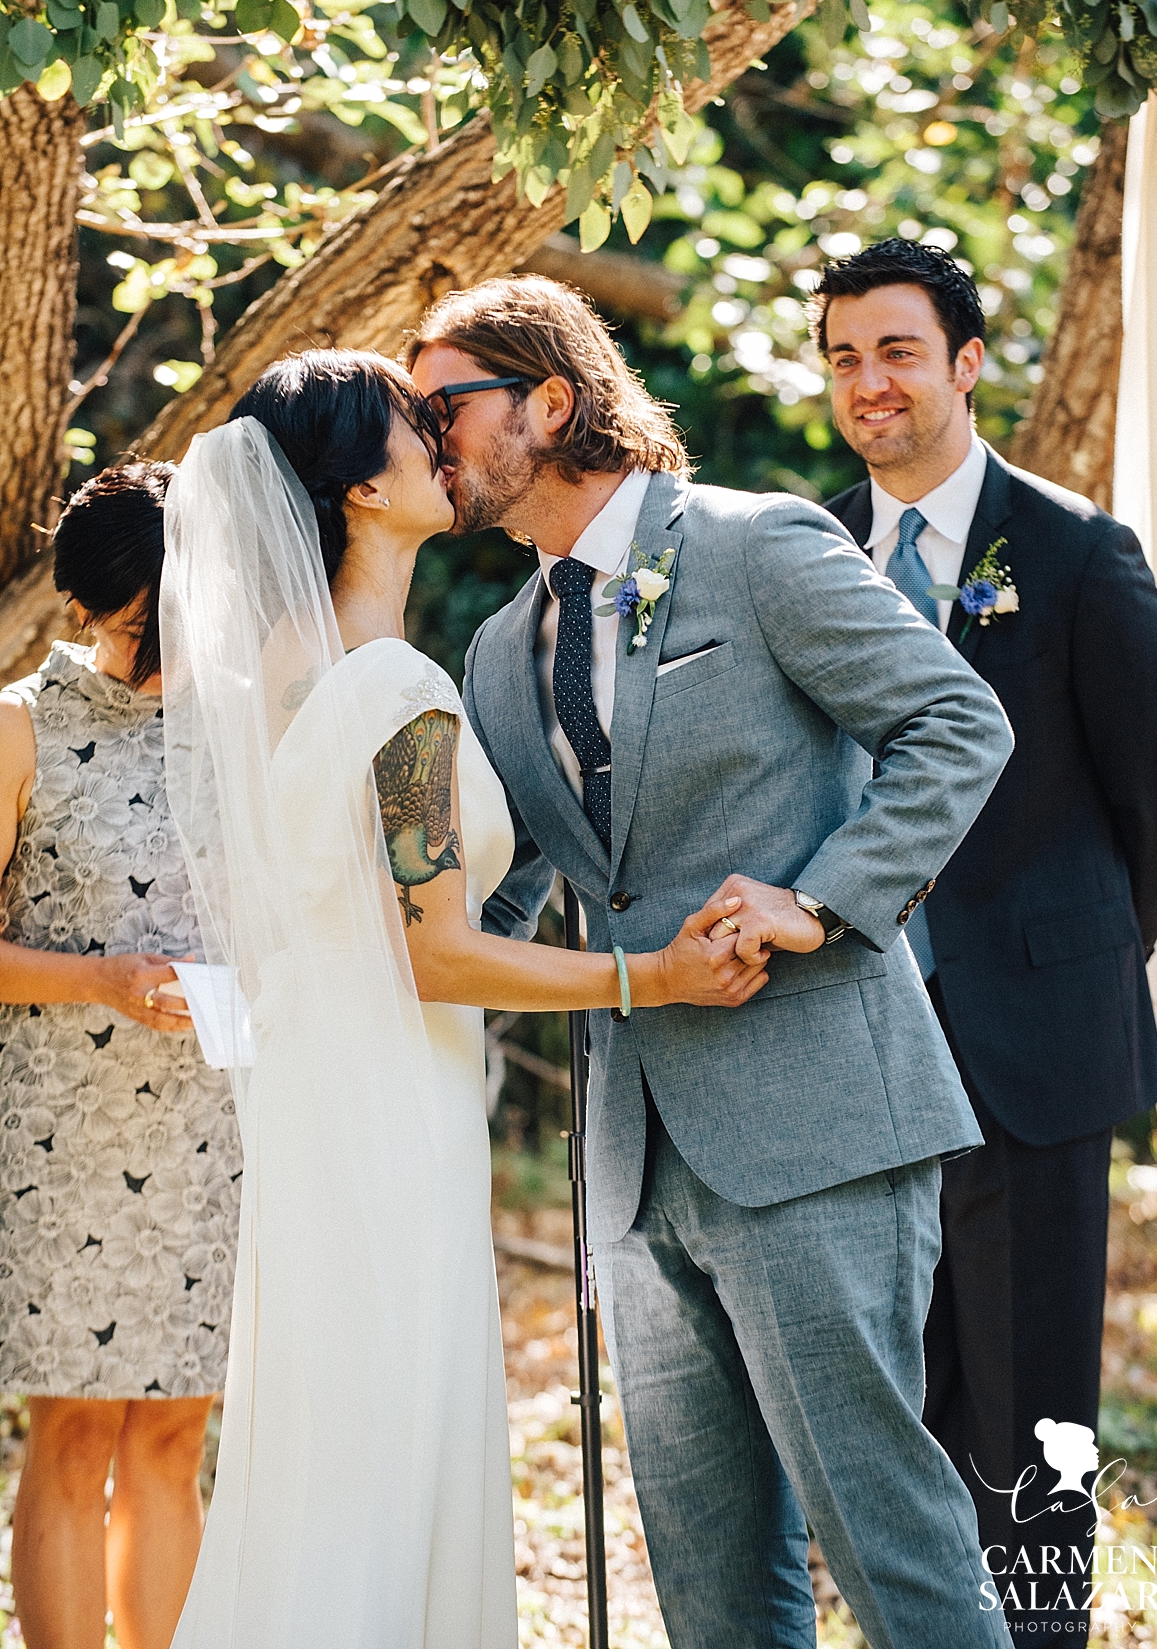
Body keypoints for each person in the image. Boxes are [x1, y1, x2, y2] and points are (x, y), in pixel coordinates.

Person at [410, 274, 1017, 1649]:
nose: (429, 436)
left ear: (550, 400)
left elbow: (956, 723)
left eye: (447, 404)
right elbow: (501, 902)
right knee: (712, 1584)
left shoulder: (760, 549)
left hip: (817, 1121)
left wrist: (823, 897)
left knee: (891, 1545)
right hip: (632, 1163)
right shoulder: (501, 653)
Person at [159, 349, 767, 1649]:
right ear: (359, 492)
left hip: (324, 1104)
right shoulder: (397, 693)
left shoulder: (273, 685)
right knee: (384, 1447)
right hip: (384, 1110)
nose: (443, 444)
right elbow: (432, 953)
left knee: (324, 1459)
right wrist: (648, 977)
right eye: (411, 427)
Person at [819, 237, 1157, 1637]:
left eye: (899, 349)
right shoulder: (799, 546)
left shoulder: (1075, 549)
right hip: (851, 1056)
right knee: (895, 1411)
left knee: (1035, 1420)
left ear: (967, 361)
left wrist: (1074, 959)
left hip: (1034, 1055)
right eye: (847, 354)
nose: (871, 381)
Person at [0, 464, 242, 1649]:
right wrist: (100, 978)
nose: (165, 648)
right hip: (66, 1135)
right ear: (87, 608)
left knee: (173, 1435)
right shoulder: (20, 727)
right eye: (143, 624)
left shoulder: (241, 731)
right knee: (77, 1429)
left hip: (209, 1132)